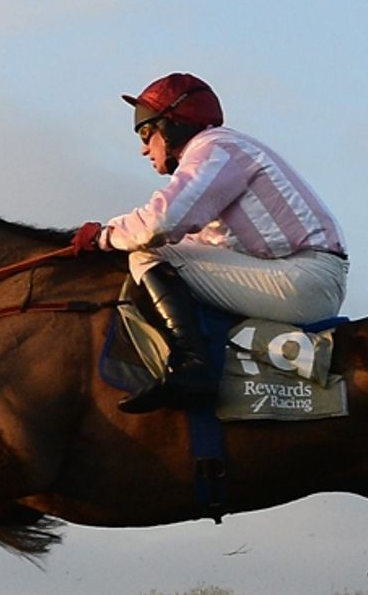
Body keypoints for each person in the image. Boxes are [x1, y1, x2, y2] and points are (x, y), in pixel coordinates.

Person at [73, 73, 347, 415]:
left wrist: (103, 236)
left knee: (147, 254)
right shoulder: (220, 154)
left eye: (145, 132)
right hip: (300, 275)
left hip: (305, 280)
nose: (143, 148)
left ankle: (194, 366)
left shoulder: (214, 150)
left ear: (172, 125)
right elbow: (186, 242)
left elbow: (159, 224)